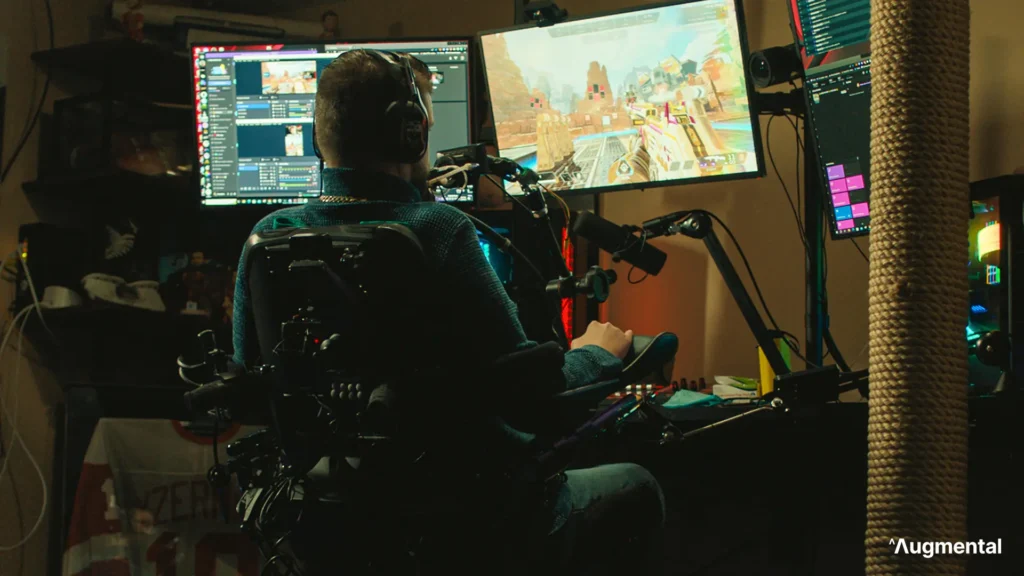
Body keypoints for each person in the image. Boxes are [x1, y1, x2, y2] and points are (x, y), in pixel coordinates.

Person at [231, 49, 664, 573]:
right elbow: (532, 396)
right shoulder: (439, 230)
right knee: (639, 486)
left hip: (331, 523)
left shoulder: (271, 235)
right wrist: (598, 354)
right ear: (408, 133)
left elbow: (253, 382)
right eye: (426, 120)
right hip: (471, 518)